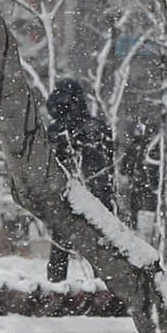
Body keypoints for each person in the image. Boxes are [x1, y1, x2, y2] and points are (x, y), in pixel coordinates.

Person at [43, 77, 114, 283]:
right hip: (98, 195)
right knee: (100, 246)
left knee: (60, 245)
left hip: (68, 195)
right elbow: (109, 161)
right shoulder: (98, 126)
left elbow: (51, 164)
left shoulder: (57, 130)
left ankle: (56, 288)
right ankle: (105, 289)